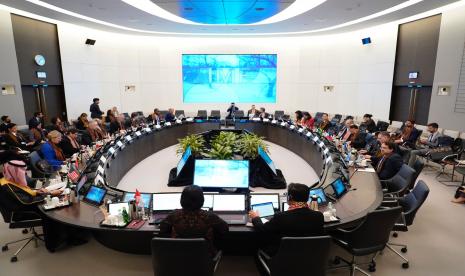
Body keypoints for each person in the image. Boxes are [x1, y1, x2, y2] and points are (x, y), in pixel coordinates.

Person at [249, 183, 324, 256]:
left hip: (283, 255)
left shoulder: (281, 217)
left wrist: (255, 217)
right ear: (307, 198)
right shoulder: (319, 216)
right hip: (309, 254)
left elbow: (262, 230)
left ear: (290, 197)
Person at [159, 185, 229, 256]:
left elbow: (162, 228)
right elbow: (225, 229)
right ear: (202, 200)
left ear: (182, 200)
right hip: (203, 259)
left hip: (178, 257)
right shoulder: (210, 216)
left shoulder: (174, 215)